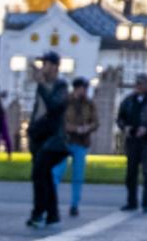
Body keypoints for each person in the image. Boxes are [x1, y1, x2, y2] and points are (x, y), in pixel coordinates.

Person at [23, 58, 71, 228]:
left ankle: (39, 213)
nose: (44, 68)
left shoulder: (61, 87)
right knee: (45, 176)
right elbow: (38, 110)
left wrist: (42, 85)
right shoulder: (41, 86)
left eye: (47, 65)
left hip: (53, 139)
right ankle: (52, 214)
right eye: (43, 65)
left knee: (39, 174)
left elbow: (54, 107)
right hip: (39, 137)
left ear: (55, 67)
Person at [115, 71, 147, 211]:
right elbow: (120, 118)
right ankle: (132, 202)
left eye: (141, 84)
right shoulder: (128, 101)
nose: (139, 86)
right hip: (132, 140)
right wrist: (124, 127)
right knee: (131, 172)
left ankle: (146, 202)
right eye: (137, 83)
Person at [60, 75, 99, 218]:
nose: (85, 91)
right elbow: (60, 120)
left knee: (78, 176)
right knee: (58, 172)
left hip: (81, 142)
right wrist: (73, 128)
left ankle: (74, 205)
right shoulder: (66, 102)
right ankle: (50, 202)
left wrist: (88, 127)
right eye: (83, 88)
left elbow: (95, 122)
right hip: (65, 141)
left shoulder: (89, 104)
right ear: (77, 88)